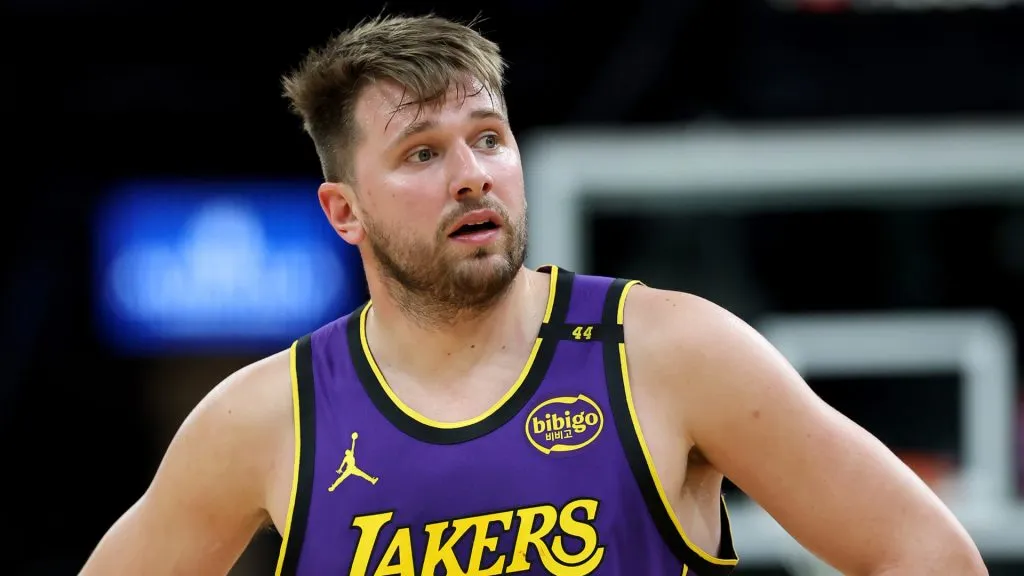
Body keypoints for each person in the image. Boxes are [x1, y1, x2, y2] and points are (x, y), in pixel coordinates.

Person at [80, 13, 987, 576]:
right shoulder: (266, 418)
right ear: (344, 211)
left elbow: (928, 555)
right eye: (422, 153)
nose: (472, 175)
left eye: (488, 138)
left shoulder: (669, 352)